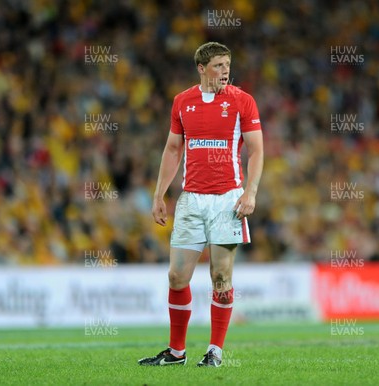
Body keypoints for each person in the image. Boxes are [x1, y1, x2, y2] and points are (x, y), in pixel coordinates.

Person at [138, 42, 263, 367]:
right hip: (191, 199)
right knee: (177, 276)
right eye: (219, 65)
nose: (225, 71)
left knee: (221, 277)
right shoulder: (183, 101)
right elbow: (172, 149)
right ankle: (177, 352)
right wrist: (159, 193)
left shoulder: (242, 101)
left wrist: (250, 192)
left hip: (227, 200)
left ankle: (215, 351)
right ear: (202, 68)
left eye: (228, 65)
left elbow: (257, 151)